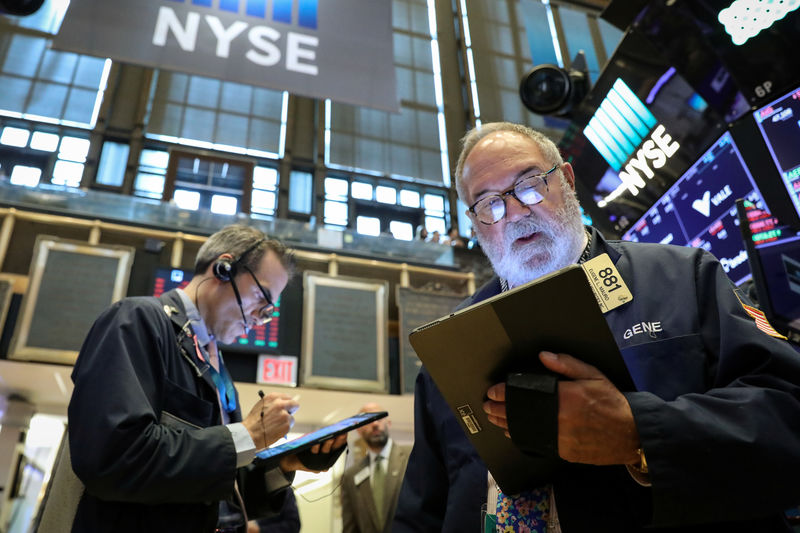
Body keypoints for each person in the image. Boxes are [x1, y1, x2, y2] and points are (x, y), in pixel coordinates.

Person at [393, 122, 800, 532]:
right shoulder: (451, 348)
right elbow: (420, 515)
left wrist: (639, 433)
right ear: (476, 222)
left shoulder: (684, 277)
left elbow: (788, 416)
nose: (514, 213)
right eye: (489, 204)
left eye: (530, 184)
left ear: (567, 180)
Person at [65, 224, 346, 532]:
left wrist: (284, 464)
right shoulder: (137, 320)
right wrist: (246, 435)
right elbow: (113, 458)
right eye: (261, 298)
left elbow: (218, 489)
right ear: (223, 268)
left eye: (268, 311)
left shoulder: (217, 367)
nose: (260, 318)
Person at [341, 403, 411, 533]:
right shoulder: (351, 476)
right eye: (368, 421)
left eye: (379, 418)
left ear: (388, 423)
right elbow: (350, 528)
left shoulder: (412, 458)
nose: (375, 424)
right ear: (359, 430)